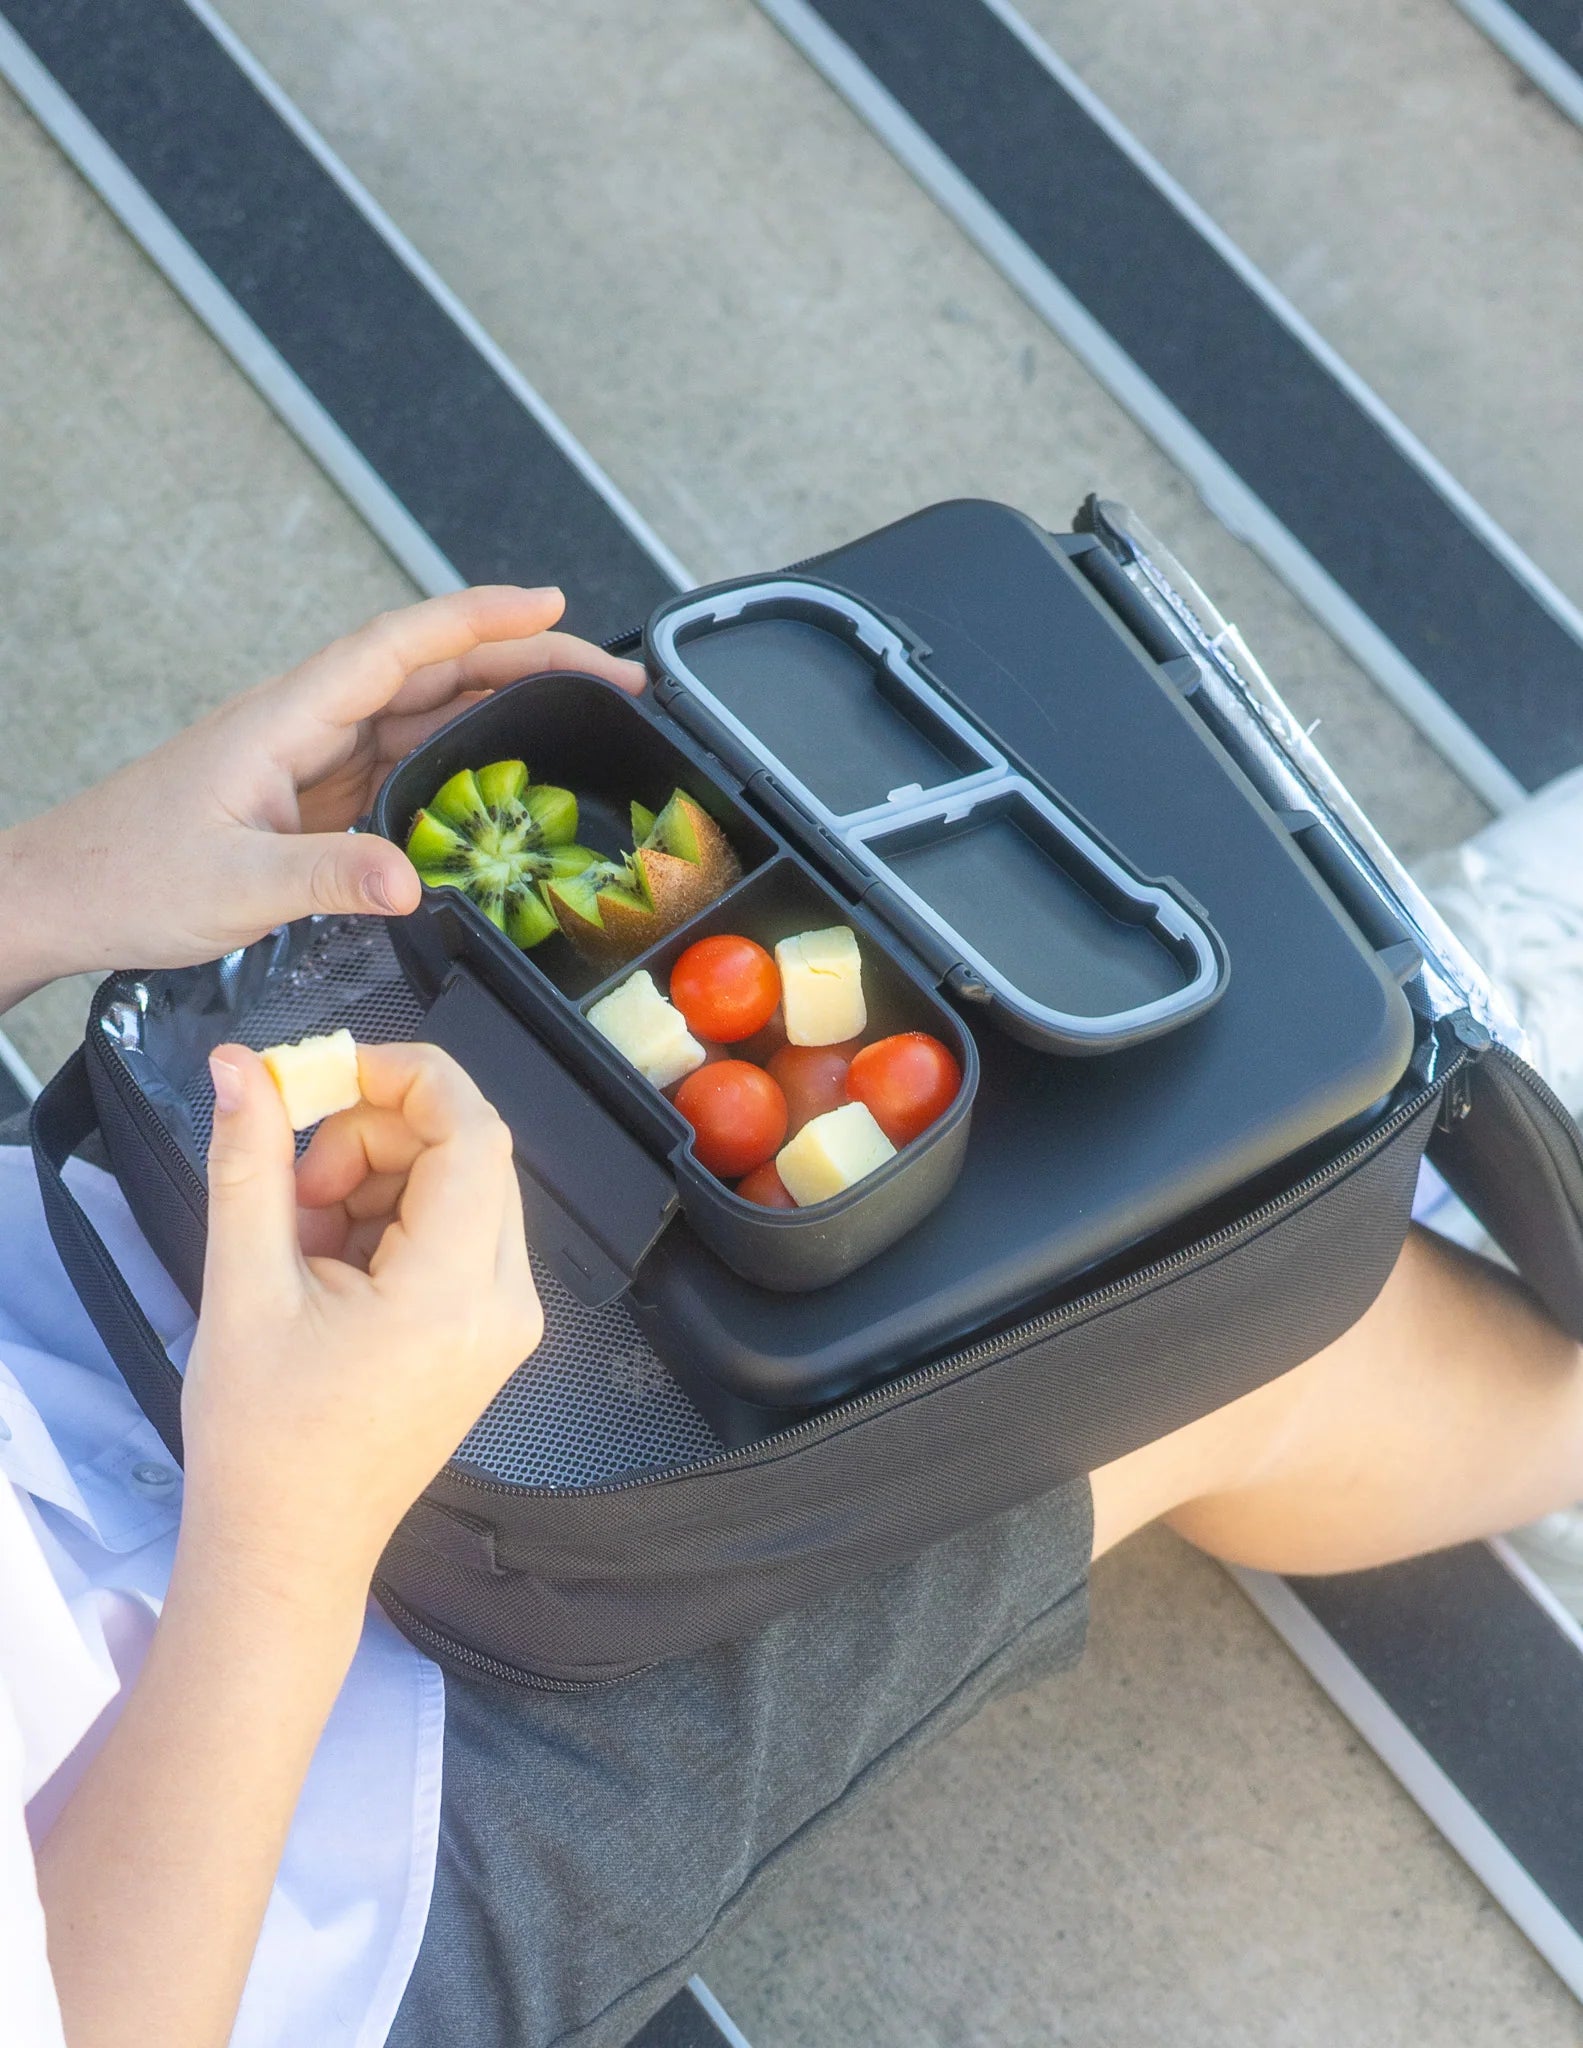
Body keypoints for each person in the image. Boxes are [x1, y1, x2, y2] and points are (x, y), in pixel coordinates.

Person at [2, 586, 1580, 2048]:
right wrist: (288, 1532)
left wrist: (40, 893)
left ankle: (1377, 1027)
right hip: (281, 1846)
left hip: (63, 1295)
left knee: (1067, 1153)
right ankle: (1498, 1270)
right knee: (1179, 1330)